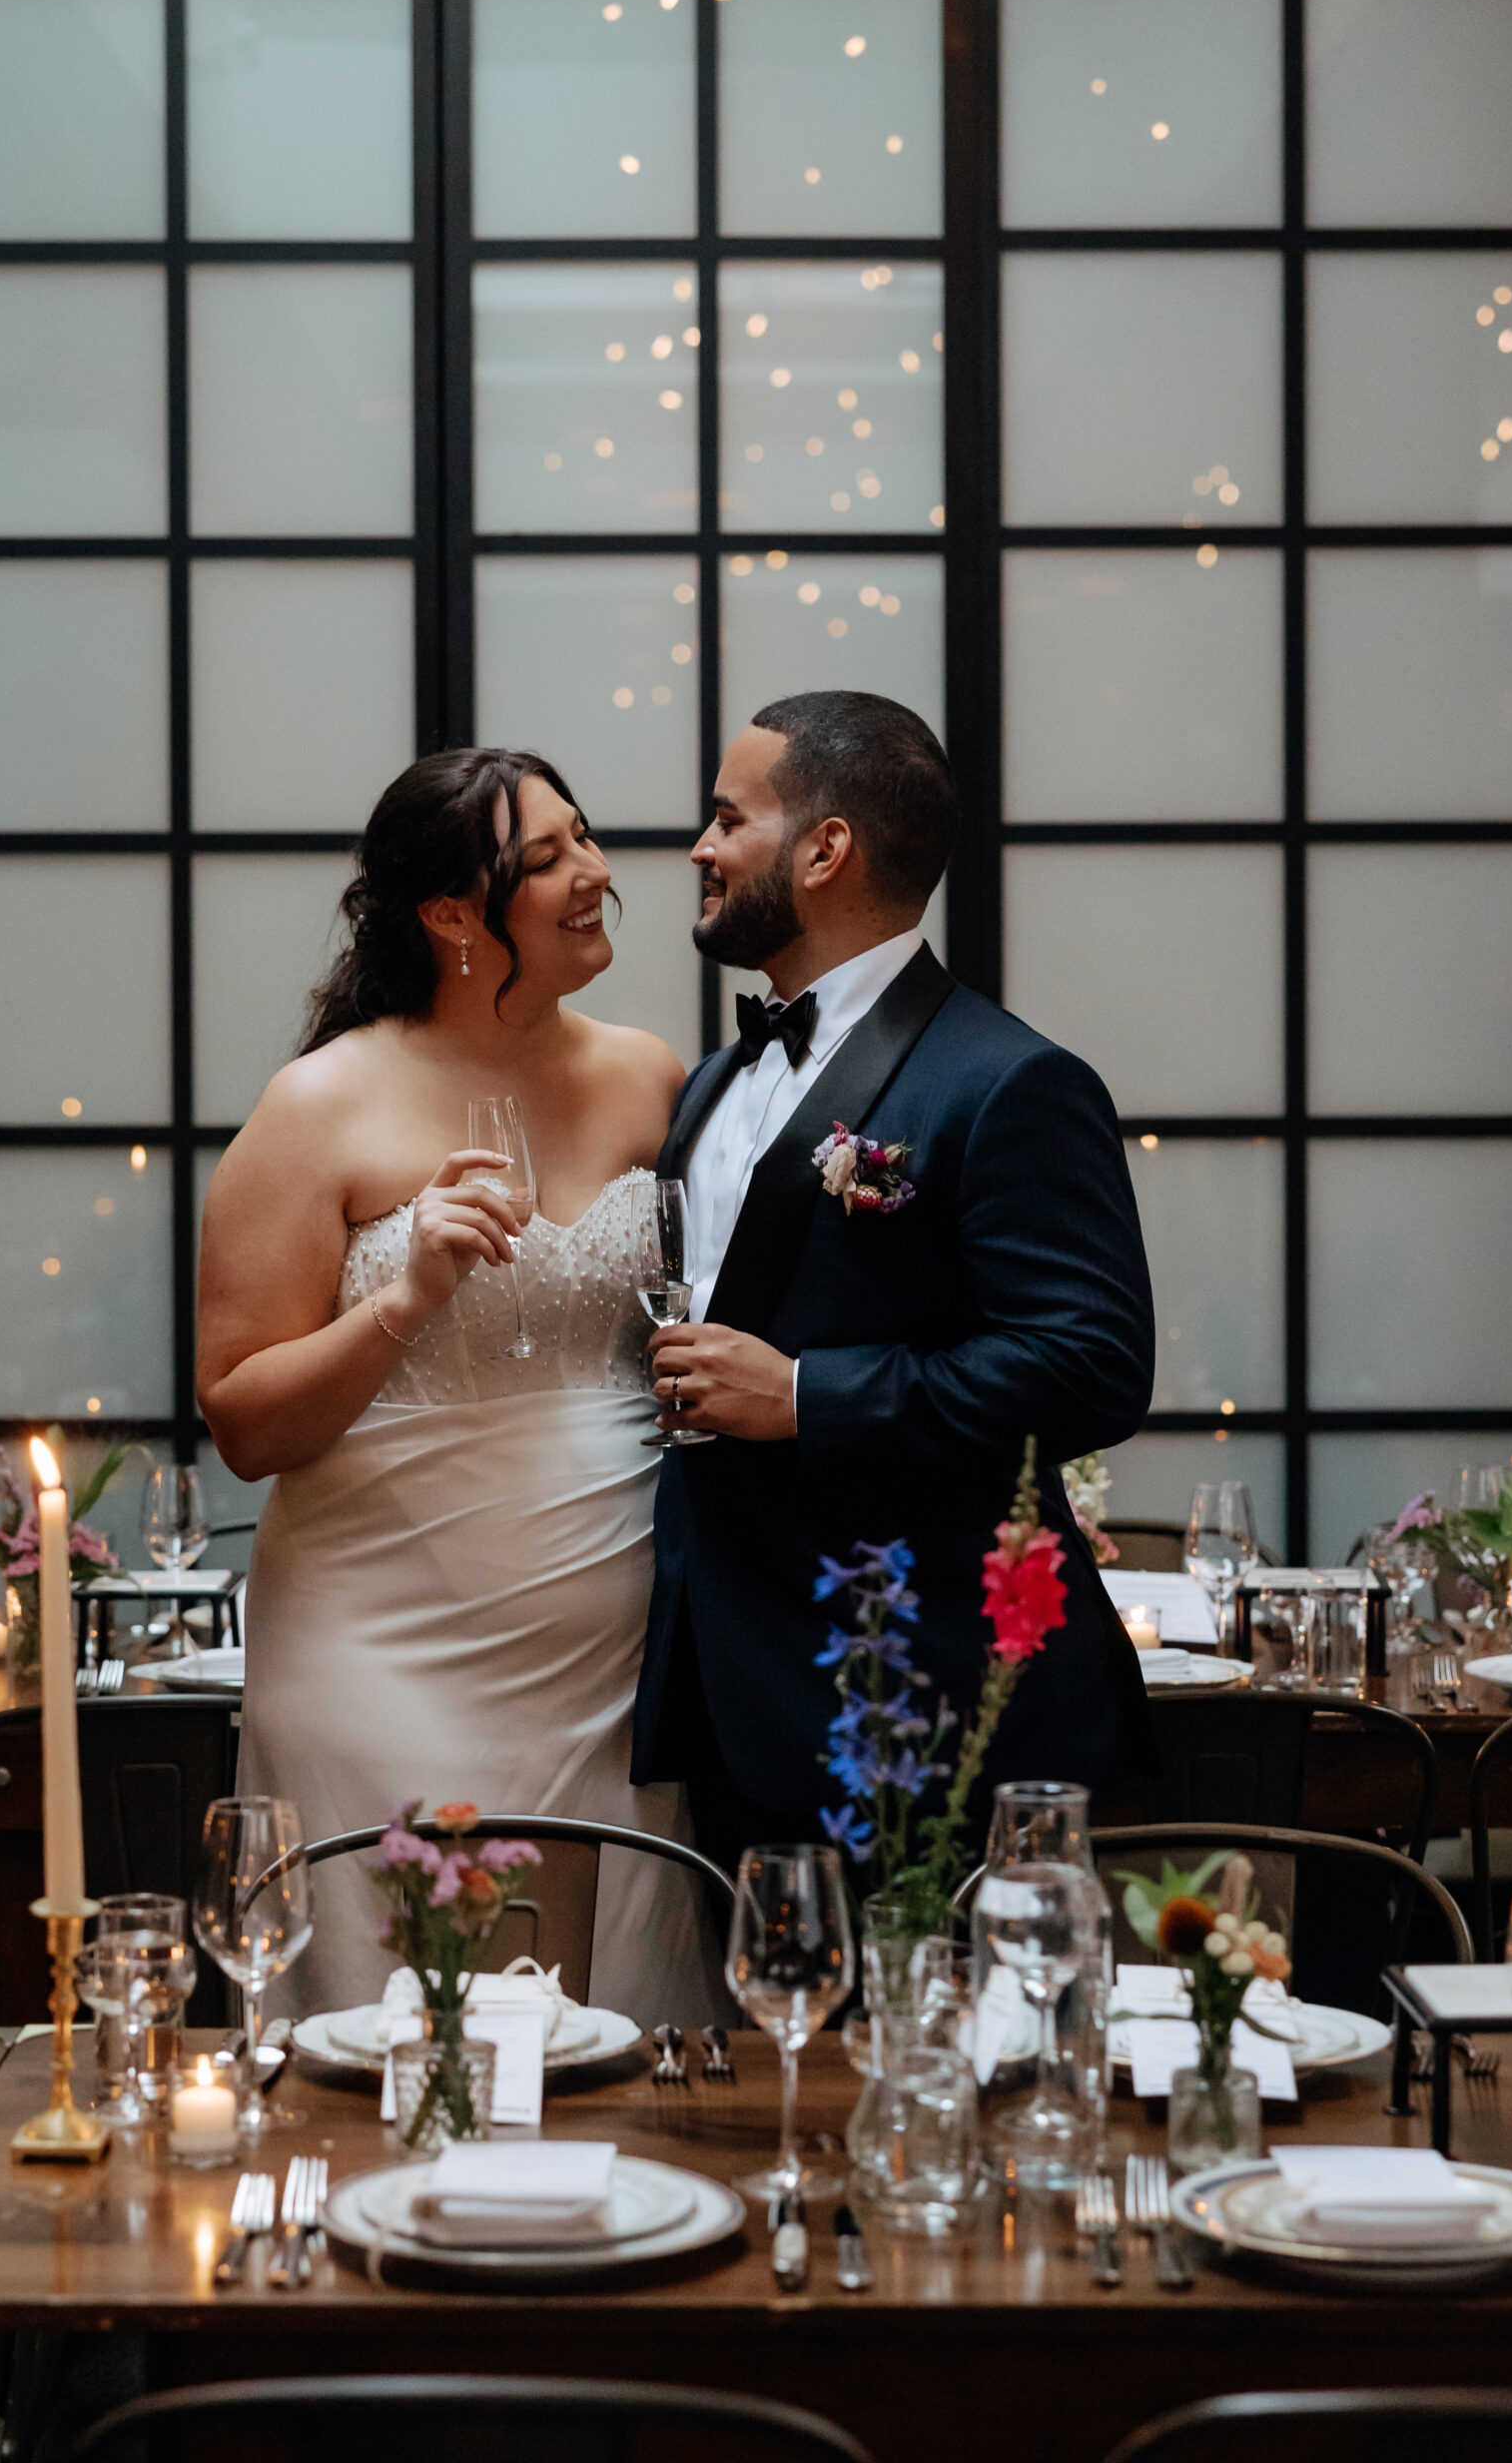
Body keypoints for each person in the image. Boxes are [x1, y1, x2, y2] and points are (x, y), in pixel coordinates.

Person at [197, 747, 721, 2024]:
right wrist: (406, 1297)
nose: (594, 871)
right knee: (392, 2020)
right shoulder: (319, 1105)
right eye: (544, 858)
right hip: (381, 1647)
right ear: (448, 915)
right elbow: (243, 1422)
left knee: (609, 2019)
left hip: (613, 1651)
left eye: (584, 836)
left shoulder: (653, 1078)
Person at [632, 689, 1157, 1875]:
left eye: (729, 819)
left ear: (826, 849)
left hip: (925, 1694)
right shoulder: (711, 1084)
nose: (703, 848)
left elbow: (1091, 1367)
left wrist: (803, 1394)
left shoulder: (1008, 1081)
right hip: (727, 1684)